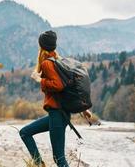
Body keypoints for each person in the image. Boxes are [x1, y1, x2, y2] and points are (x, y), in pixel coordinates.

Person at [19, 30, 91, 167]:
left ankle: (39, 163)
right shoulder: (58, 61)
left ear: (41, 46)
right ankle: (39, 164)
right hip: (58, 114)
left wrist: (39, 79)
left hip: (58, 114)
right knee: (25, 132)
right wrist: (83, 109)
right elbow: (67, 89)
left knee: (59, 158)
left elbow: (58, 85)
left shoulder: (47, 63)